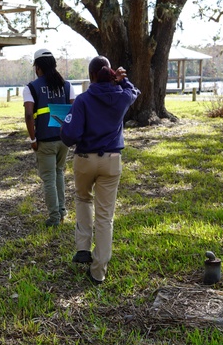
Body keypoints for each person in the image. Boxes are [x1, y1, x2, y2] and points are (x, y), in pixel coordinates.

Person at [60, 56, 139, 284]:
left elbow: (70, 136)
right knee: (105, 217)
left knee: (83, 199)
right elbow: (133, 91)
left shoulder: (83, 100)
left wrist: (66, 125)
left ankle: (83, 247)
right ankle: (98, 271)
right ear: (110, 73)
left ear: (91, 75)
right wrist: (121, 80)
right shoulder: (121, 97)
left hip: (85, 159)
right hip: (112, 161)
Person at [24, 48, 76, 226]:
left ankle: (54, 218)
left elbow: (29, 115)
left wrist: (33, 139)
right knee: (59, 174)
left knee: (49, 180)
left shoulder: (31, 87)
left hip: (45, 141)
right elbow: (74, 111)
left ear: (38, 67)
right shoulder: (66, 85)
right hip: (63, 139)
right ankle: (62, 211)